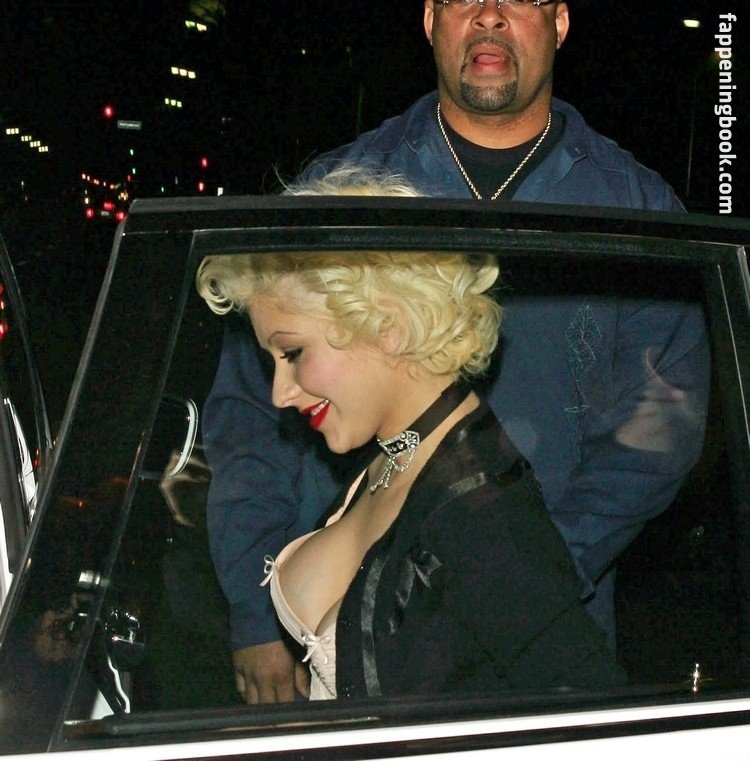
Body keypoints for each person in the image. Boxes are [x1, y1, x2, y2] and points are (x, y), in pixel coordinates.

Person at [202, 0, 710, 703]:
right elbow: (250, 416)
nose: (489, 16)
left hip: (539, 652)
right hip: (338, 646)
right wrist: (257, 612)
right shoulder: (345, 190)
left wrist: (515, 581)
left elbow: (659, 436)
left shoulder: (635, 209)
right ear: (430, 19)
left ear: (560, 23)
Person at [196, 189, 625, 698]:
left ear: (388, 326)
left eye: (292, 353)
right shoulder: (401, 451)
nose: (280, 393)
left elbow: (589, 707)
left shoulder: (481, 516)